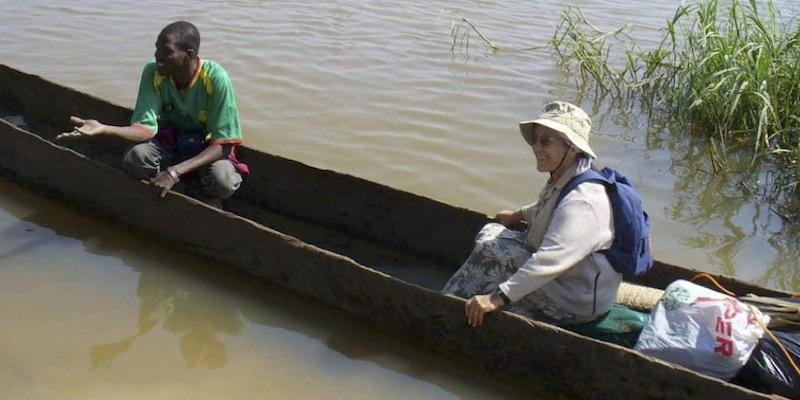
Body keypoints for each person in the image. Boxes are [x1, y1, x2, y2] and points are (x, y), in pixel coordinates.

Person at [443, 101, 620, 327]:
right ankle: (464, 295)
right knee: (491, 232)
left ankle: (448, 304)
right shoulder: (568, 176)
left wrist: (496, 298)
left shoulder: (583, 202)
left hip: (574, 302)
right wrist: (517, 215)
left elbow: (549, 260)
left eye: (546, 140)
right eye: (535, 140)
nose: (537, 147)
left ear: (573, 147)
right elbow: (545, 207)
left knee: (491, 249)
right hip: (562, 281)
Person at [57, 21, 247, 206]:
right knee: (135, 158)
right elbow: (145, 129)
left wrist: (174, 172)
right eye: (157, 49)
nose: (158, 56)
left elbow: (223, 144)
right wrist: (104, 128)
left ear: (188, 55)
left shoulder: (215, 78)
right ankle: (175, 188)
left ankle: (190, 187)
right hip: (169, 143)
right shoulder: (154, 71)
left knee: (223, 182)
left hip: (203, 148)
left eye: (167, 52)